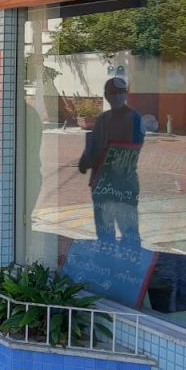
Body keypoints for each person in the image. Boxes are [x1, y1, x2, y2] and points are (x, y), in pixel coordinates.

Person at [78, 77, 144, 247]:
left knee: (128, 233)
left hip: (123, 185)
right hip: (104, 185)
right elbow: (93, 149)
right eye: (113, 93)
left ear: (126, 94)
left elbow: (129, 150)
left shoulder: (134, 119)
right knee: (106, 233)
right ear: (106, 95)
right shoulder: (103, 119)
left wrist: (90, 158)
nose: (117, 96)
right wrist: (85, 161)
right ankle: (109, 260)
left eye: (121, 92)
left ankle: (127, 260)